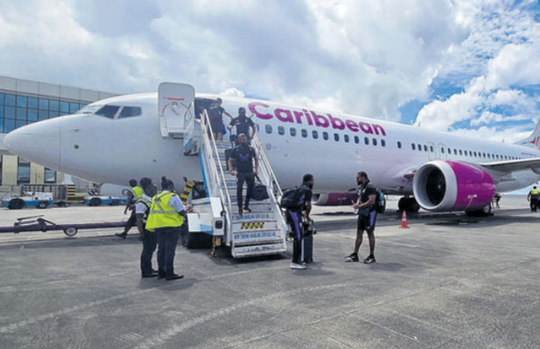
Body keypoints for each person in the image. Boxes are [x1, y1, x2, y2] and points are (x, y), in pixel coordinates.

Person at [146, 180, 186, 281]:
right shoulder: (172, 196)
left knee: (161, 250)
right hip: (171, 227)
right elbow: (181, 211)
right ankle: (170, 273)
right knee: (170, 251)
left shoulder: (155, 198)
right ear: (170, 186)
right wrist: (187, 213)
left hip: (159, 226)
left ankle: (161, 272)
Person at [345, 171, 377, 264]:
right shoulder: (362, 187)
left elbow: (372, 201)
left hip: (370, 213)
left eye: (358, 178)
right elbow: (361, 197)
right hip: (362, 213)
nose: (356, 180)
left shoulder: (370, 187)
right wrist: (357, 204)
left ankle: (372, 255)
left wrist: (359, 206)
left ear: (363, 177)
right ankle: (355, 254)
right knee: (359, 232)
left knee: (370, 233)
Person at [286, 174, 314, 270]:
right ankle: (295, 261)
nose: (313, 183)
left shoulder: (299, 188)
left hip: (291, 213)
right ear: (310, 181)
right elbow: (308, 205)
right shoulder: (307, 190)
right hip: (294, 213)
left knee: (298, 236)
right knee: (298, 236)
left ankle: (297, 260)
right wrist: (307, 215)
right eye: (312, 181)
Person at [227, 133, 258, 215]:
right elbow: (230, 160)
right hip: (241, 173)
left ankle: (246, 206)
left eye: (244, 139)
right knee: (239, 190)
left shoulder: (251, 149)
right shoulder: (236, 150)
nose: (243, 140)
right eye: (241, 139)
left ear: (247, 139)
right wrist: (231, 169)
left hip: (250, 172)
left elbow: (256, 159)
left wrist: (256, 169)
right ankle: (240, 207)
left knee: (250, 190)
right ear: (239, 140)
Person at [135, 179, 159, 278]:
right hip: (146, 229)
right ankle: (146, 271)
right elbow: (139, 219)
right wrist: (141, 233)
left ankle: (149, 268)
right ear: (147, 189)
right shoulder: (142, 202)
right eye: (153, 190)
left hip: (152, 228)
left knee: (150, 249)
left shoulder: (151, 200)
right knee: (147, 250)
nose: (155, 192)